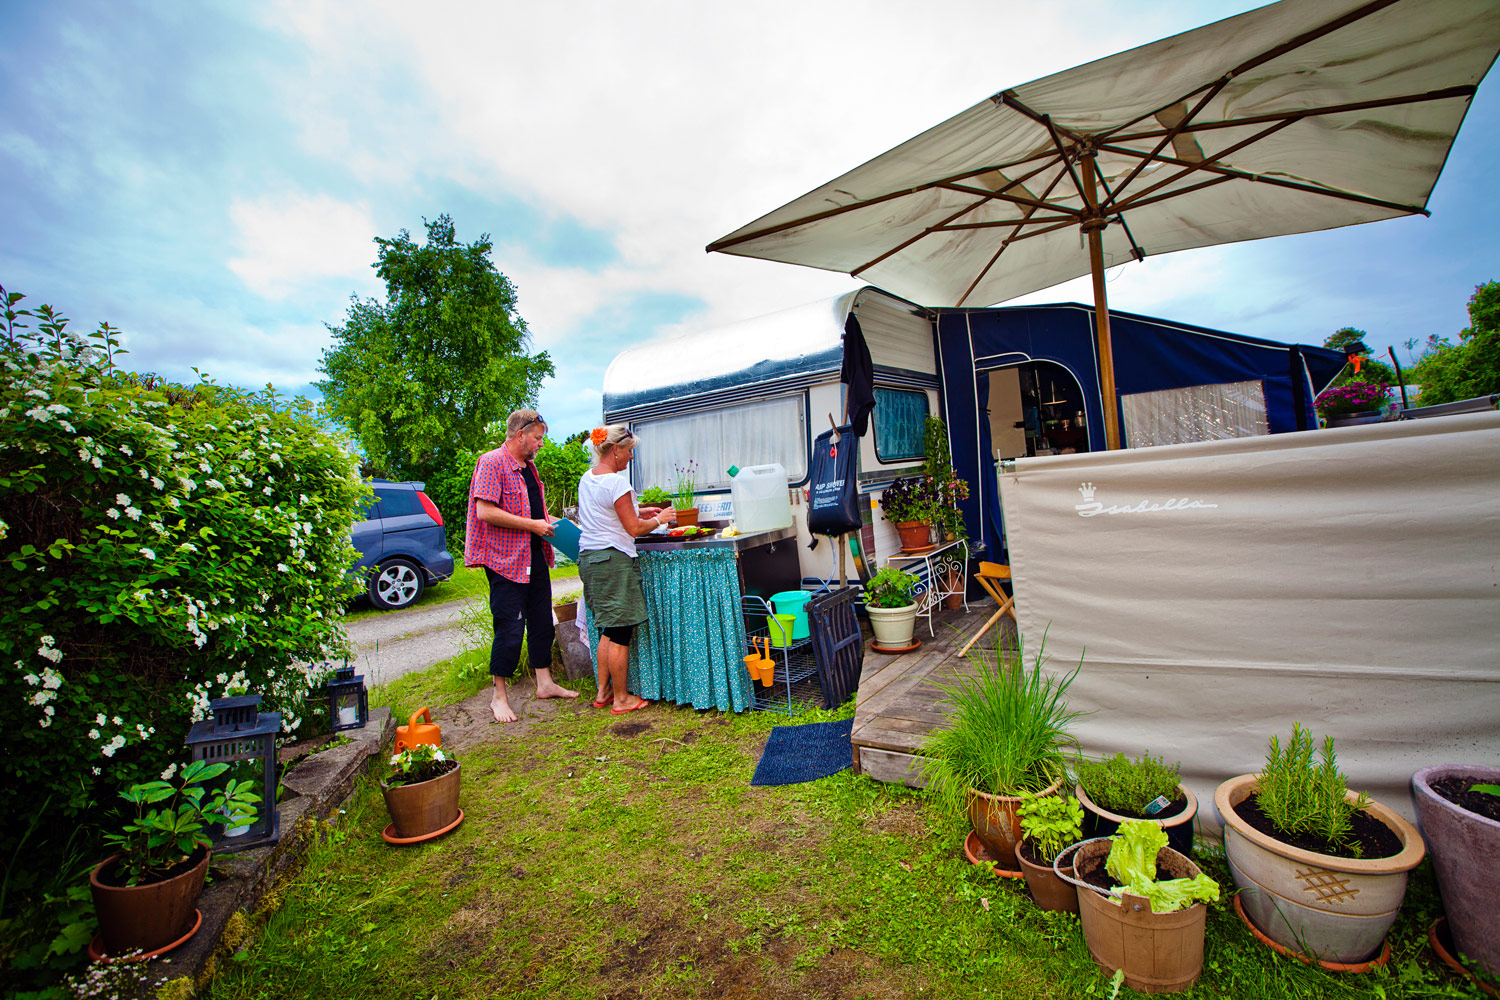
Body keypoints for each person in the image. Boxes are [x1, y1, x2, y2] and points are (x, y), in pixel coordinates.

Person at [465, 408, 579, 723]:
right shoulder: (491, 462)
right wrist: (532, 525)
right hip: (504, 560)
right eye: (538, 438)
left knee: (542, 621)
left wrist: (570, 530)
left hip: (534, 557)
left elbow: (538, 513)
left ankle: (544, 683)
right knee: (510, 626)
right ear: (520, 435)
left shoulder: (529, 468)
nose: (541, 444)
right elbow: (485, 512)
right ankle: (498, 696)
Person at [576, 424, 675, 715]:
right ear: (616, 449)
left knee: (608, 629)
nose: (631, 457)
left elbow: (607, 511)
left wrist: (638, 508)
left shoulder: (588, 478)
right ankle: (621, 699)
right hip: (613, 561)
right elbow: (633, 528)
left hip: (591, 560)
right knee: (620, 632)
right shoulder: (618, 483)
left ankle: (603, 691)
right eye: (630, 451)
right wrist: (661, 518)